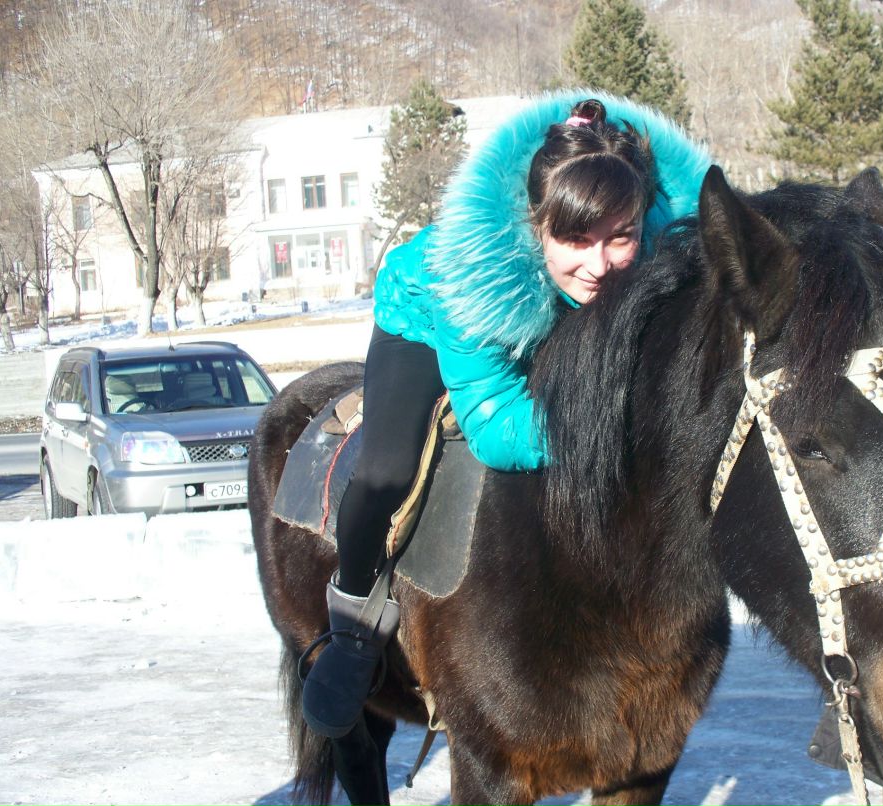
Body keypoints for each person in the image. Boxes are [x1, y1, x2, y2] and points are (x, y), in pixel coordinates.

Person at [299, 92, 711, 739]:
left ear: (642, 223)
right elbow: (496, 426)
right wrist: (607, 428)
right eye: (575, 238)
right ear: (534, 222)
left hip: (553, 308)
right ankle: (351, 624)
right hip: (425, 319)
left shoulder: (665, 244)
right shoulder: (477, 280)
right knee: (386, 467)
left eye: (620, 237)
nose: (599, 264)